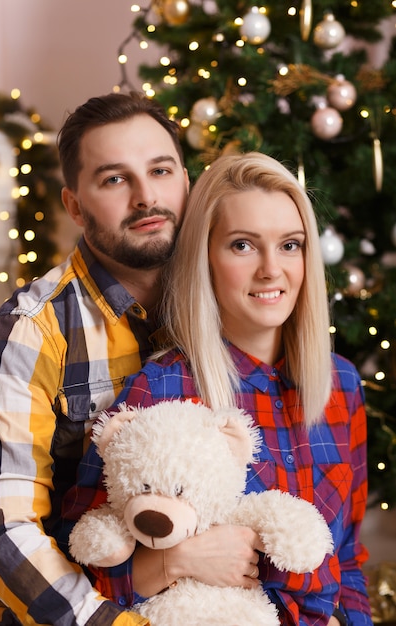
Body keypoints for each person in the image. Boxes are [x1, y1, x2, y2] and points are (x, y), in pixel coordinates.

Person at [60, 152, 373, 626]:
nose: (272, 270)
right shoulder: (162, 388)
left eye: (290, 245)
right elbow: (81, 561)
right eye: (243, 246)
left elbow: (347, 560)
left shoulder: (341, 383)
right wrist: (173, 561)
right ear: (204, 255)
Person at [0, 91, 189, 626]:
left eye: (161, 170)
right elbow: (4, 532)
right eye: (115, 179)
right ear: (74, 205)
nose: (147, 197)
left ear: (186, 180)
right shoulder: (30, 333)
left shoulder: (222, 302)